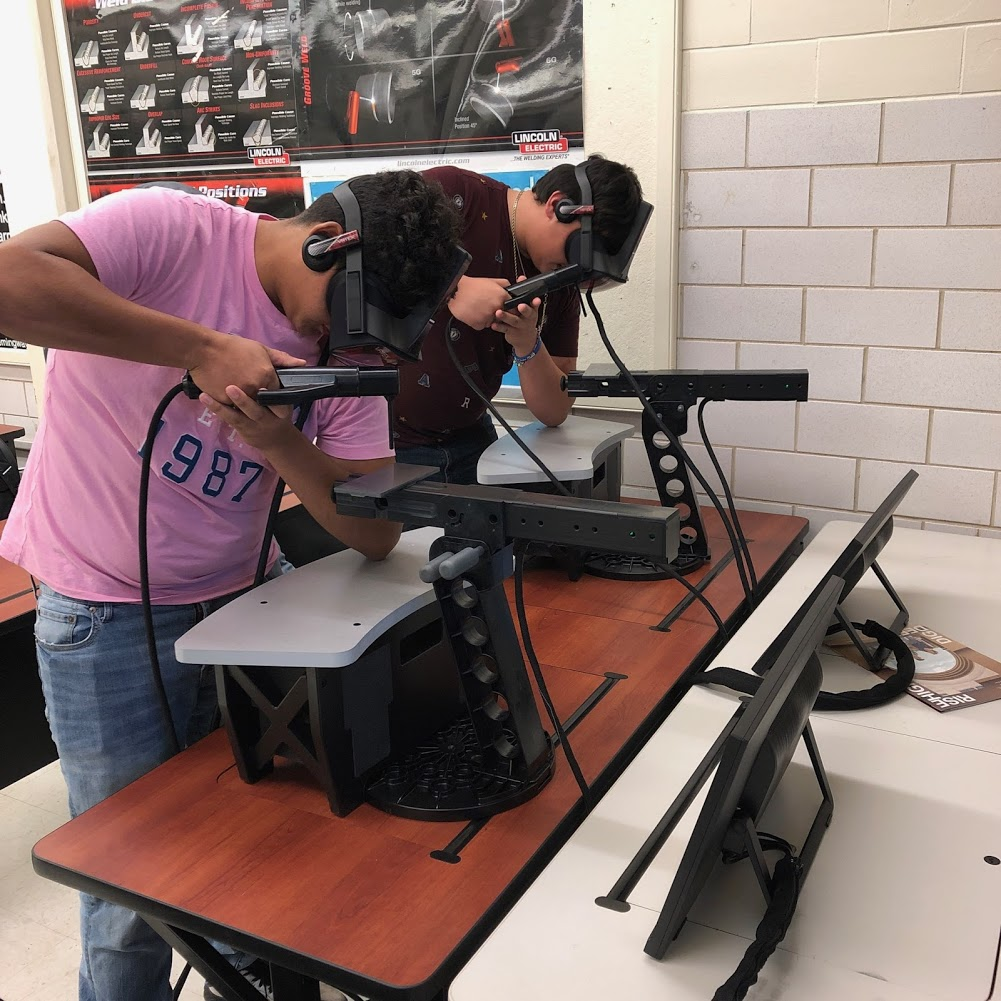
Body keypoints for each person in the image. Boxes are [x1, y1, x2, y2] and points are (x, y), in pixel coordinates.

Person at [0, 171, 462, 1001]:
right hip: (103, 613)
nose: (338, 341)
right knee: (129, 894)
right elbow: (6, 283)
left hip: (248, 602)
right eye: (343, 319)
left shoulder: (347, 348)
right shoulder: (168, 229)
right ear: (327, 245)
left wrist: (282, 445)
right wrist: (198, 348)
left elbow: (373, 527)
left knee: (260, 861)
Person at [391, 154, 644, 484]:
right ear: (559, 205)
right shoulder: (456, 194)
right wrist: (453, 287)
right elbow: (358, 249)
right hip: (385, 444)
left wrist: (527, 342)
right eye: (578, 256)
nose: (576, 275)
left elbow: (554, 411)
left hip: (472, 441)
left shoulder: (560, 284)